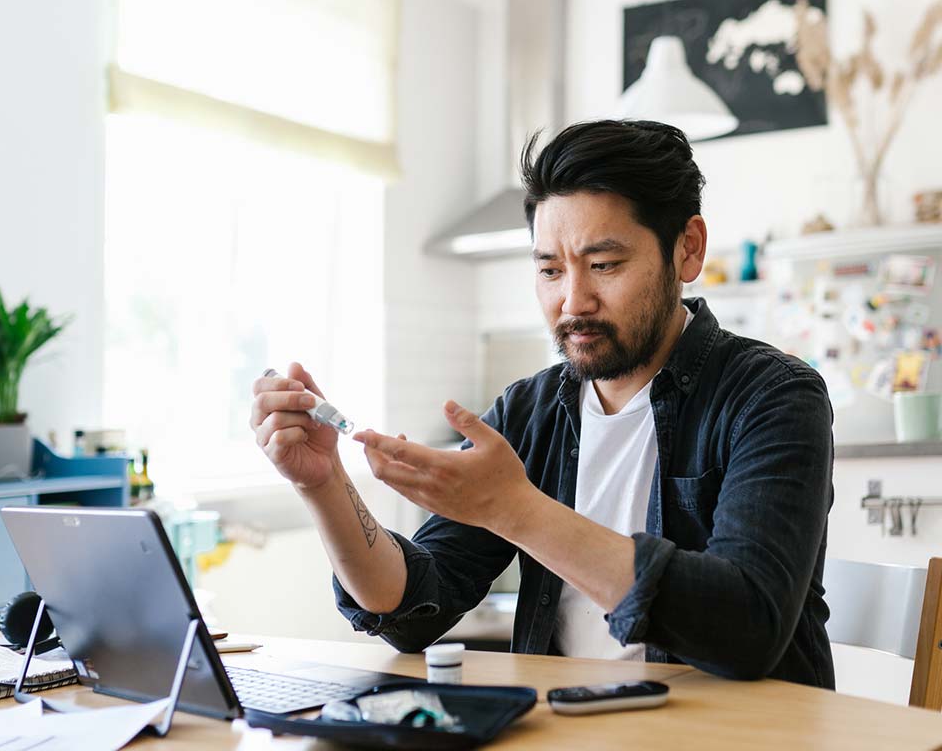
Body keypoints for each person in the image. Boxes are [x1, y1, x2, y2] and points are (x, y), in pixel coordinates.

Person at [249, 120, 834, 687]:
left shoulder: (773, 395)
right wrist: (323, 484)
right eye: (550, 270)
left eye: (604, 265)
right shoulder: (530, 412)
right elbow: (409, 607)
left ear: (687, 248)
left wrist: (515, 509)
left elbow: (748, 628)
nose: (573, 301)